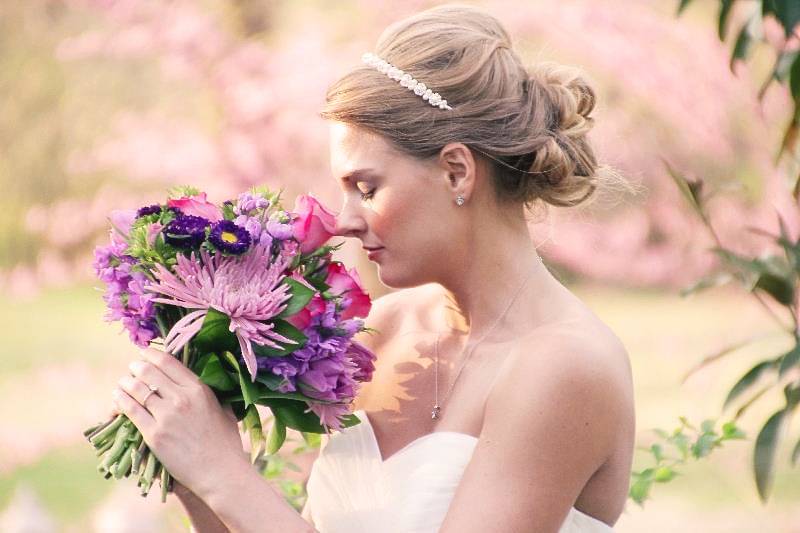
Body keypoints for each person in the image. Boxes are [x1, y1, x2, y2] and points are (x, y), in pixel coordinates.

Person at [111, 3, 635, 532]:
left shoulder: (565, 366)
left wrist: (223, 472)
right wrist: (192, 471)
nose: (343, 222)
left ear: (457, 172)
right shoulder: (378, 333)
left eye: (367, 188)